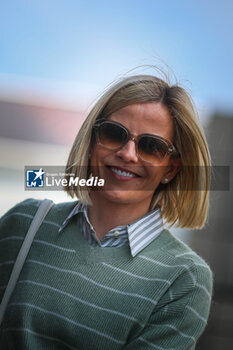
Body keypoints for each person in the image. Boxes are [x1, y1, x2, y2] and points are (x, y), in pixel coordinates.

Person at [0, 74, 212, 349]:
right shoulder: (24, 223)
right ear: (91, 143)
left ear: (171, 169)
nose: (128, 154)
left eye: (151, 146)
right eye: (114, 133)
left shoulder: (184, 280)